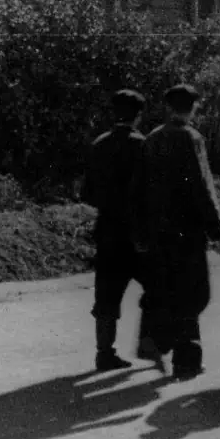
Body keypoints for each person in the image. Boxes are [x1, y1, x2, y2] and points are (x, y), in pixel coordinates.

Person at [132, 83, 220, 381]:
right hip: (188, 231)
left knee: (167, 289)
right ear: (193, 108)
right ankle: (187, 360)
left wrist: (141, 231)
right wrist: (217, 231)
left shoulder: (152, 139)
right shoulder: (192, 138)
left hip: (159, 230)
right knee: (192, 294)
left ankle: (157, 343)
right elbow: (202, 188)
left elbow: (140, 190)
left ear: (168, 107)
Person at [80, 89, 149, 371]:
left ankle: (104, 353)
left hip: (108, 230)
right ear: (139, 115)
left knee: (106, 294)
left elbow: (87, 193)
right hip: (138, 233)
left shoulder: (99, 144)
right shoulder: (143, 145)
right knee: (158, 286)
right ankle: (151, 343)